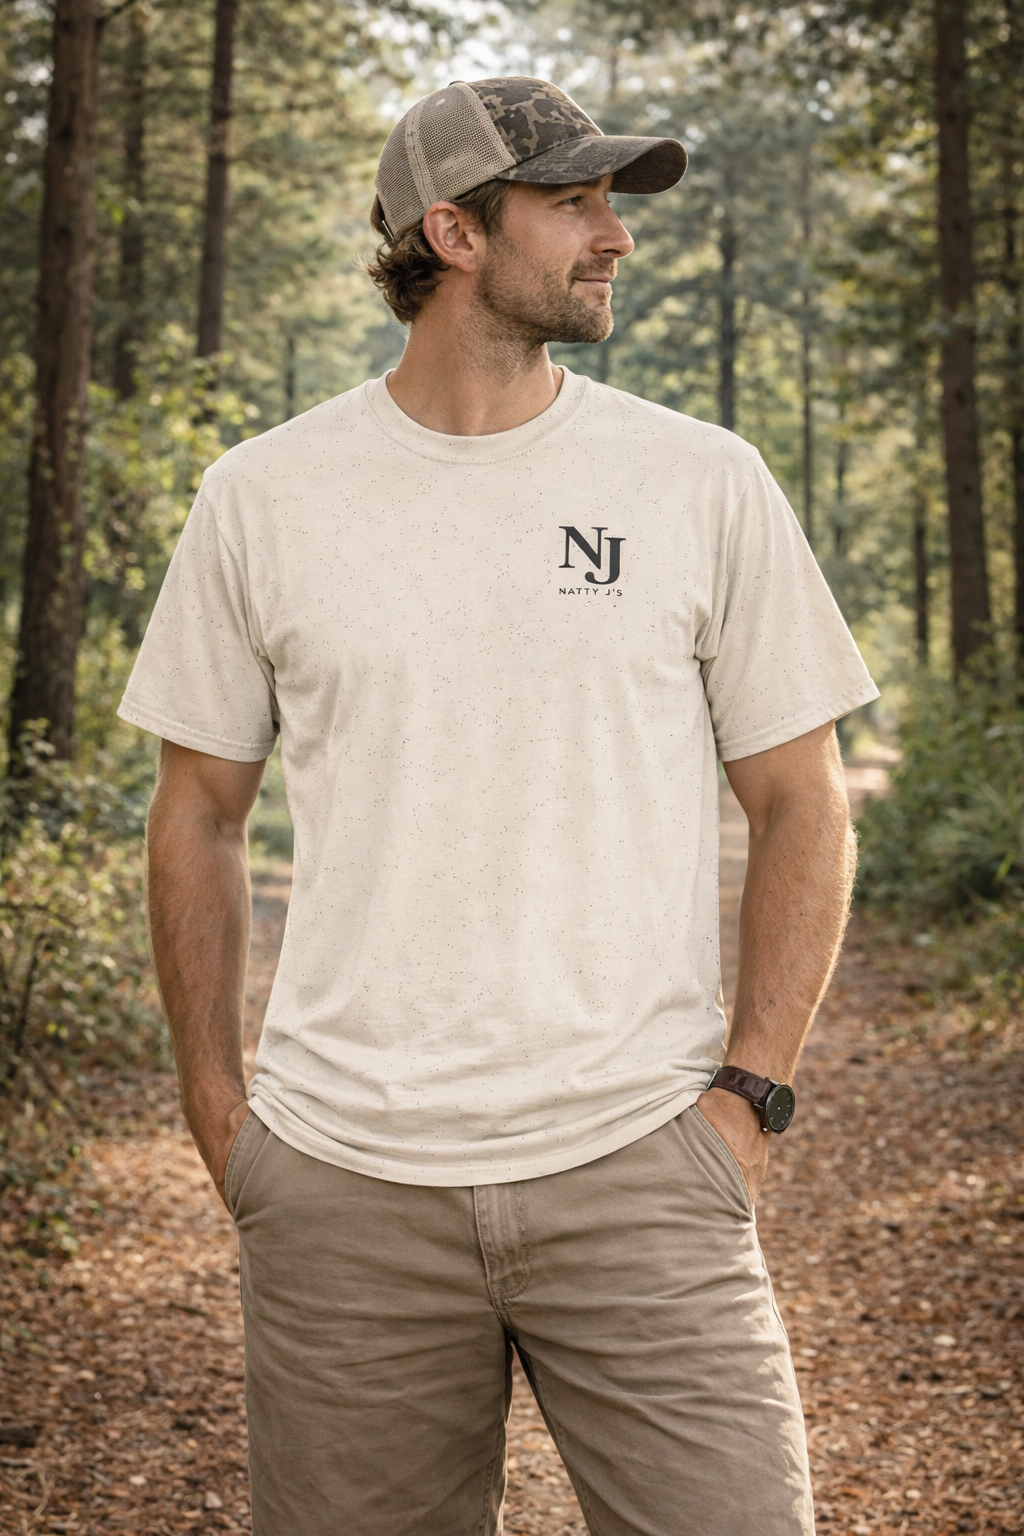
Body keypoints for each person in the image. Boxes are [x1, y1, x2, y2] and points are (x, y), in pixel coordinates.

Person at [121, 76, 878, 1536]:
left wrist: (749, 1094)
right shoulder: (263, 498)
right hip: (345, 1196)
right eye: (577, 203)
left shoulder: (698, 481)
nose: (616, 236)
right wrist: (221, 1113)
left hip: (644, 1168)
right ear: (454, 234)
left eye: (613, 202)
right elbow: (198, 811)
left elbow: (802, 799)